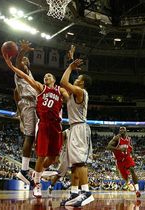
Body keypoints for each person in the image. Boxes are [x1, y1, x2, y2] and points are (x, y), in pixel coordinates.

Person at [3, 52, 69, 198]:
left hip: (57, 126)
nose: (46, 77)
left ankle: (36, 172)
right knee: (41, 155)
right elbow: (25, 77)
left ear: (54, 79)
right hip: (44, 124)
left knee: (53, 158)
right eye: (45, 76)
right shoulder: (40, 87)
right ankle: (37, 183)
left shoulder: (60, 90)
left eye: (49, 76)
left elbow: (67, 96)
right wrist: (12, 66)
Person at [59, 59, 94, 207]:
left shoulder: (81, 91)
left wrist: (70, 67)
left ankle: (86, 192)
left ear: (82, 83)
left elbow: (63, 82)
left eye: (78, 79)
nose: (76, 79)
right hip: (73, 128)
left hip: (80, 128)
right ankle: (74, 193)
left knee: (80, 162)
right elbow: (64, 89)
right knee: (73, 164)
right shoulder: (73, 94)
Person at [13, 40, 38, 187]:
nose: (25, 61)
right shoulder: (21, 71)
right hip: (29, 103)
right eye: (23, 60)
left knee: (35, 136)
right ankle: (23, 170)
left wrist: (19, 114)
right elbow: (17, 62)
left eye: (26, 59)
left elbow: (15, 93)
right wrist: (22, 52)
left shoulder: (27, 76)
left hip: (31, 104)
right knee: (29, 136)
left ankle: (35, 168)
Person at [106, 127, 141, 197]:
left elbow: (131, 147)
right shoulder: (116, 138)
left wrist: (133, 154)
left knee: (132, 170)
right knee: (125, 177)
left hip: (127, 157)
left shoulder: (129, 139)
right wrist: (118, 149)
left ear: (126, 131)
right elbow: (108, 147)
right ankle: (128, 183)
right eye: (120, 129)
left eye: (123, 129)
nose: (121, 130)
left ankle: (137, 190)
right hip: (119, 160)